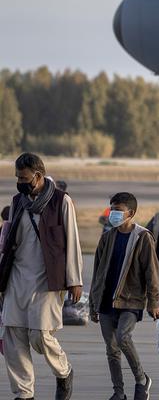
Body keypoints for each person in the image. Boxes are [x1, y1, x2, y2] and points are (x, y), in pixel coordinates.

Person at [0, 153, 82, 400]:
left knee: (40, 335)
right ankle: (24, 393)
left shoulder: (61, 201)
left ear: (38, 176)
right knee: (13, 336)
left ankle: (64, 371)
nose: (20, 182)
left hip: (48, 278)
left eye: (23, 178)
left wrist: (74, 279)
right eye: (17, 178)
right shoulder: (17, 201)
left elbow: (73, 241)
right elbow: (8, 242)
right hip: (17, 277)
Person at [89, 192, 159, 400]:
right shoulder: (107, 237)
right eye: (112, 210)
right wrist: (94, 304)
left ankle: (141, 380)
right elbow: (97, 272)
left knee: (123, 337)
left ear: (131, 213)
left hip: (131, 300)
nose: (114, 214)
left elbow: (152, 271)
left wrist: (153, 301)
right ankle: (118, 392)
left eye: (118, 211)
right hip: (105, 301)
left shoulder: (142, 237)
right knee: (111, 350)